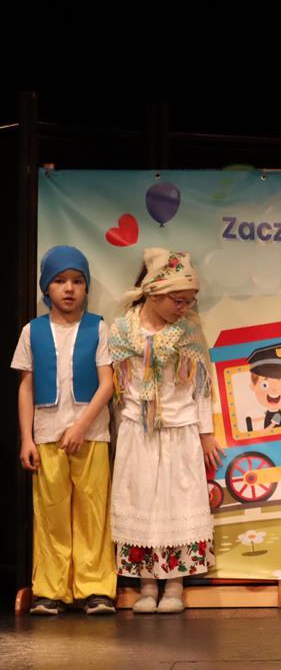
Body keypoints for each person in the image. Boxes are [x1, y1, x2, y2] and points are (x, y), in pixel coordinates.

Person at [109, 248, 224, 614]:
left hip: (180, 429)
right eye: (178, 300)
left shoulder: (188, 332)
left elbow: (201, 385)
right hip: (138, 430)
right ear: (154, 293)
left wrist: (205, 432)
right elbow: (116, 387)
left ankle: (174, 585)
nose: (184, 307)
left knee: (178, 502)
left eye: (190, 301)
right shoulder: (122, 330)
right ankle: (146, 585)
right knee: (141, 500)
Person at [12, 245, 117, 615]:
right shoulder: (32, 331)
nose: (69, 288)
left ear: (86, 287)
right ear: (47, 287)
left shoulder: (98, 327)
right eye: (59, 281)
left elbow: (108, 383)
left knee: (93, 512)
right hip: (47, 435)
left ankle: (96, 589)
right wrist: (27, 438)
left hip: (91, 435)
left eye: (77, 281)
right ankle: (50, 589)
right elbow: (26, 386)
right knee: (51, 514)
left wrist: (81, 425)